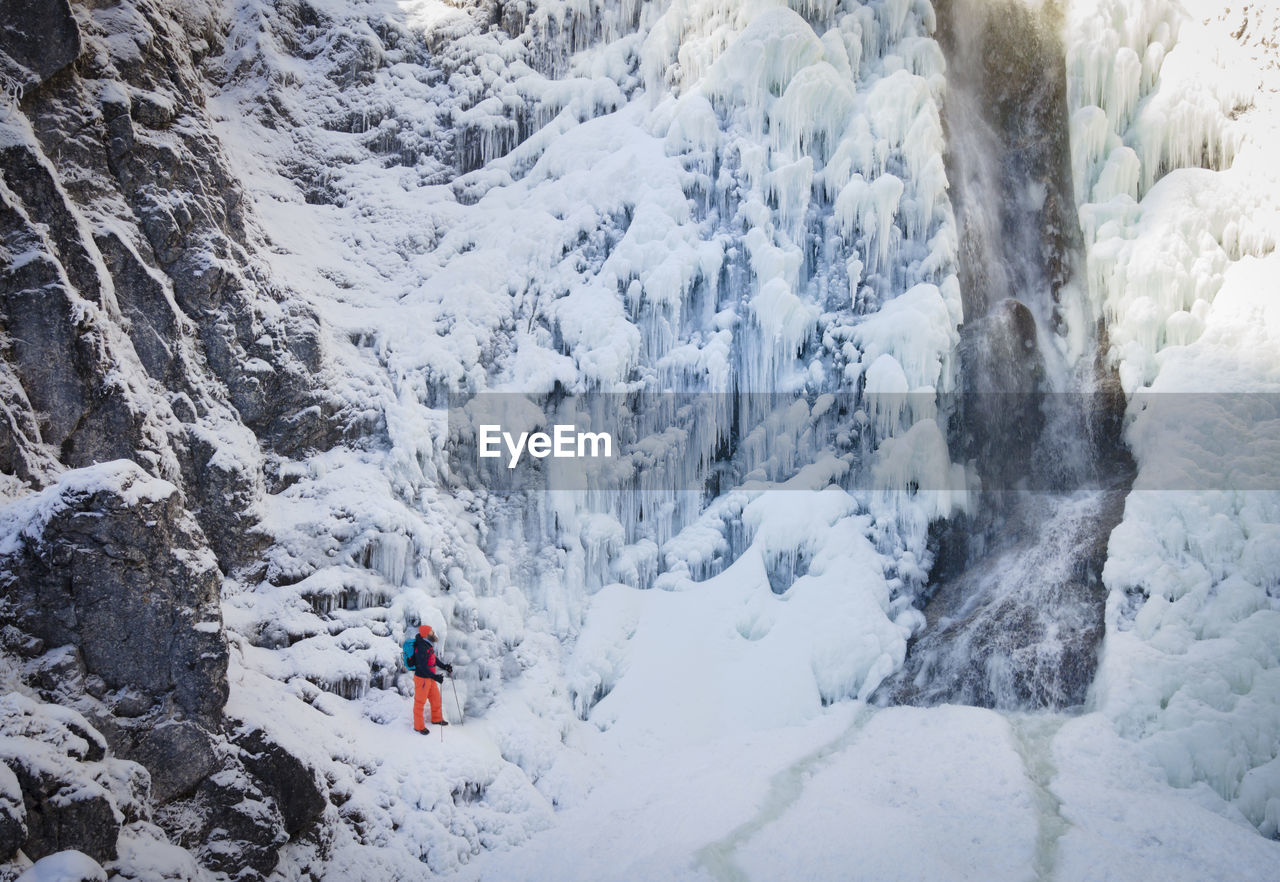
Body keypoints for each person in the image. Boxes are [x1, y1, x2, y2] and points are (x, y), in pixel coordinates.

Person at [411, 625, 453, 734]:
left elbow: (433, 658)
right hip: (422, 679)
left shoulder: (427, 644)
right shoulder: (421, 647)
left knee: (436, 698)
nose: (433, 633)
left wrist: (444, 666)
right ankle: (418, 726)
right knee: (420, 702)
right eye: (431, 632)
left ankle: (436, 719)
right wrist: (435, 677)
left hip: (429, 677)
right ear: (425, 633)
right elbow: (421, 666)